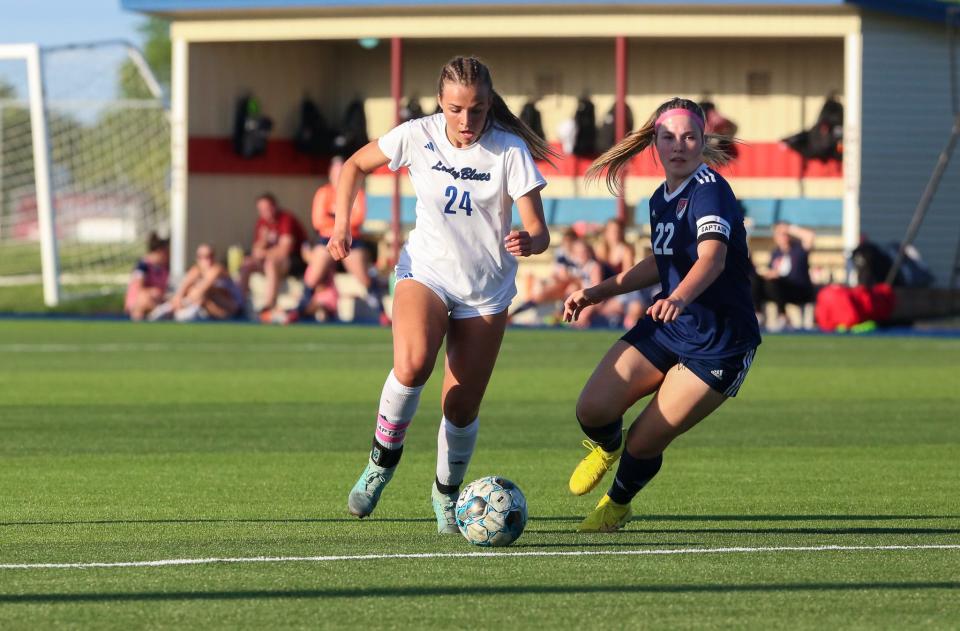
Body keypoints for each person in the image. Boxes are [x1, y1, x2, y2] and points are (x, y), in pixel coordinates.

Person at [329, 56, 556, 533]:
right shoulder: (417, 134)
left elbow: (539, 228)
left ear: (489, 104)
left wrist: (531, 241)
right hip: (425, 273)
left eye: (476, 110)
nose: (466, 121)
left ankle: (446, 495)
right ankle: (380, 464)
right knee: (413, 364)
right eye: (456, 109)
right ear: (440, 102)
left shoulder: (509, 150)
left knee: (460, 407)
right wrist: (340, 226)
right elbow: (353, 166)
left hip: (486, 291)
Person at [562, 97, 761, 532]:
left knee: (646, 438)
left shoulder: (711, 189)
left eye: (689, 136)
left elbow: (712, 258)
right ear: (654, 142)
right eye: (668, 137)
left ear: (703, 140)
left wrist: (680, 297)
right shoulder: (659, 198)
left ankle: (616, 504)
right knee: (593, 408)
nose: (679, 145)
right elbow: (660, 259)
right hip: (670, 327)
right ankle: (604, 446)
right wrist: (598, 292)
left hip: (719, 344)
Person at [295, 156, 382, 322]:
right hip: (327, 239)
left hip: (352, 240)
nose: (339, 177)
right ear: (330, 175)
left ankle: (382, 312)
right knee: (314, 273)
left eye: (343, 173)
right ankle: (301, 308)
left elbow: (358, 218)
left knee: (363, 276)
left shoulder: (358, 193)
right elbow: (318, 221)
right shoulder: (323, 192)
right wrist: (341, 222)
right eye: (336, 173)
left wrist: (334, 219)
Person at [237, 193, 308, 321]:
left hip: (294, 261)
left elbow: (284, 250)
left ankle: (269, 305)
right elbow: (255, 251)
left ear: (275, 206)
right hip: (271, 260)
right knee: (247, 264)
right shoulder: (262, 223)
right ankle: (239, 304)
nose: (265, 212)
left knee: (271, 262)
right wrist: (263, 242)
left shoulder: (286, 219)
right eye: (261, 209)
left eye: (268, 208)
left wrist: (263, 253)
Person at [150, 243, 241, 321]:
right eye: (202, 257)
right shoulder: (196, 270)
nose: (207, 260)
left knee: (205, 292)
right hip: (206, 306)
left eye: (210, 256)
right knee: (194, 291)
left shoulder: (217, 269)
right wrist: (178, 299)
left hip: (231, 309)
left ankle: (176, 312)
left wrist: (183, 303)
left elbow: (202, 289)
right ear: (198, 259)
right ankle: (171, 310)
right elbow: (182, 290)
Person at [753, 222, 816, 331]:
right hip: (779, 290)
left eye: (784, 234)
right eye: (778, 234)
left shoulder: (799, 249)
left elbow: (810, 236)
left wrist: (789, 228)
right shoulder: (776, 253)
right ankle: (758, 314)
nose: (782, 236)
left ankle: (783, 316)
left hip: (798, 289)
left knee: (773, 283)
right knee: (756, 280)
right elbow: (772, 271)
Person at [124, 232, 169, 321]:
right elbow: (138, 287)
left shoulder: (165, 267)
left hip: (158, 301)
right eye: (166, 253)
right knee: (144, 298)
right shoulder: (142, 266)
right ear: (159, 252)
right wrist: (152, 292)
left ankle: (159, 313)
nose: (168, 256)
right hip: (139, 302)